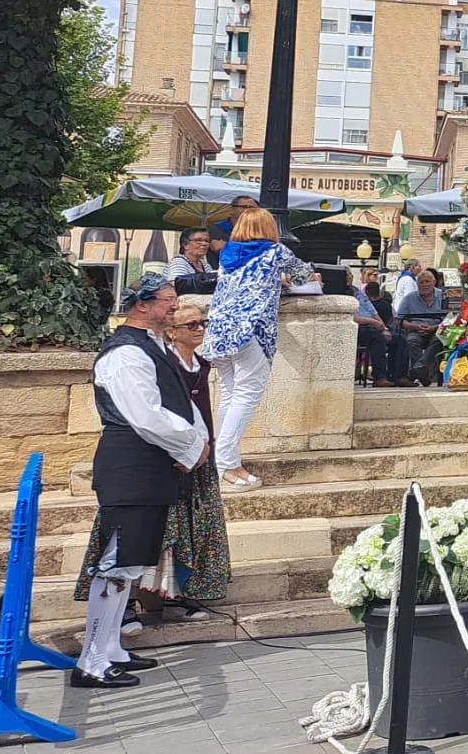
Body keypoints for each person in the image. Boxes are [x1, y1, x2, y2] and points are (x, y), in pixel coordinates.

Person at [73, 274, 207, 689]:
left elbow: (176, 402)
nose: (173, 306)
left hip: (147, 468)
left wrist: (195, 441)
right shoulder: (125, 353)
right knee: (115, 565)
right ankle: (91, 661)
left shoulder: (150, 346)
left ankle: (110, 648)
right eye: (166, 300)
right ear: (142, 305)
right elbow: (145, 415)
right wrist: (191, 447)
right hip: (131, 465)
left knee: (128, 566)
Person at [198, 207, 315, 492]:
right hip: (252, 329)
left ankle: (222, 460)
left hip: (220, 329)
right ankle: (227, 465)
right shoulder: (275, 251)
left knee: (229, 394)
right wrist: (285, 279)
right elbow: (304, 275)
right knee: (247, 395)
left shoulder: (228, 254)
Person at [392, 269, 448, 386]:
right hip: (415, 329)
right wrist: (415, 326)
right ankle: (423, 374)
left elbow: (451, 319)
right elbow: (399, 320)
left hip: (437, 329)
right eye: (421, 282)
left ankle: (417, 369)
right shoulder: (409, 298)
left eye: (427, 282)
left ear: (434, 282)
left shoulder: (444, 296)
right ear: (417, 284)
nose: (424, 285)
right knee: (411, 341)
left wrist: (434, 327)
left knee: (439, 340)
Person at [353, 280, 392, 385]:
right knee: (377, 337)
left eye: (350, 275)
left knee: (398, 338)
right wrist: (372, 322)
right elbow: (351, 317)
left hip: (372, 324)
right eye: (347, 275)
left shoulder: (358, 291)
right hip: (358, 326)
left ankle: (398, 376)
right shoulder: (342, 293)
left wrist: (384, 328)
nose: (350, 277)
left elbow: (373, 312)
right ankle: (379, 376)